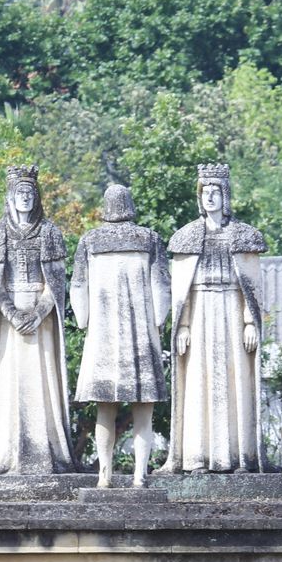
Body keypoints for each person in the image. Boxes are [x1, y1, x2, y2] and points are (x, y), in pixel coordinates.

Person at [163, 163, 265, 473]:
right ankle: (197, 456)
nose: (209, 198)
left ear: (225, 196)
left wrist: (249, 321)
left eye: (215, 192)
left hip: (232, 313)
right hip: (201, 316)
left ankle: (238, 455)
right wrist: (181, 325)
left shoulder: (244, 236)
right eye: (205, 192)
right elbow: (184, 291)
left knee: (235, 383)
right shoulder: (187, 237)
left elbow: (252, 288)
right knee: (199, 381)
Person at [69, 184, 171, 487]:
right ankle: (140, 476)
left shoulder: (90, 240)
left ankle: (105, 476)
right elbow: (161, 287)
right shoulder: (149, 239)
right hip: (142, 337)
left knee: (105, 410)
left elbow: (77, 286)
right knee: (144, 412)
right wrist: (159, 321)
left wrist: (83, 321)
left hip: (103, 338)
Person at [0, 164, 75, 474]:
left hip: (41, 322)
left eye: (30, 192)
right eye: (19, 192)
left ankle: (48, 453)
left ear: (37, 197)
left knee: (43, 384)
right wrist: (12, 314)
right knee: (10, 385)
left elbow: (57, 284)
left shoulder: (49, 233)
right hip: (9, 326)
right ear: (10, 196)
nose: (25, 198)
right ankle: (6, 454)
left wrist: (40, 312)